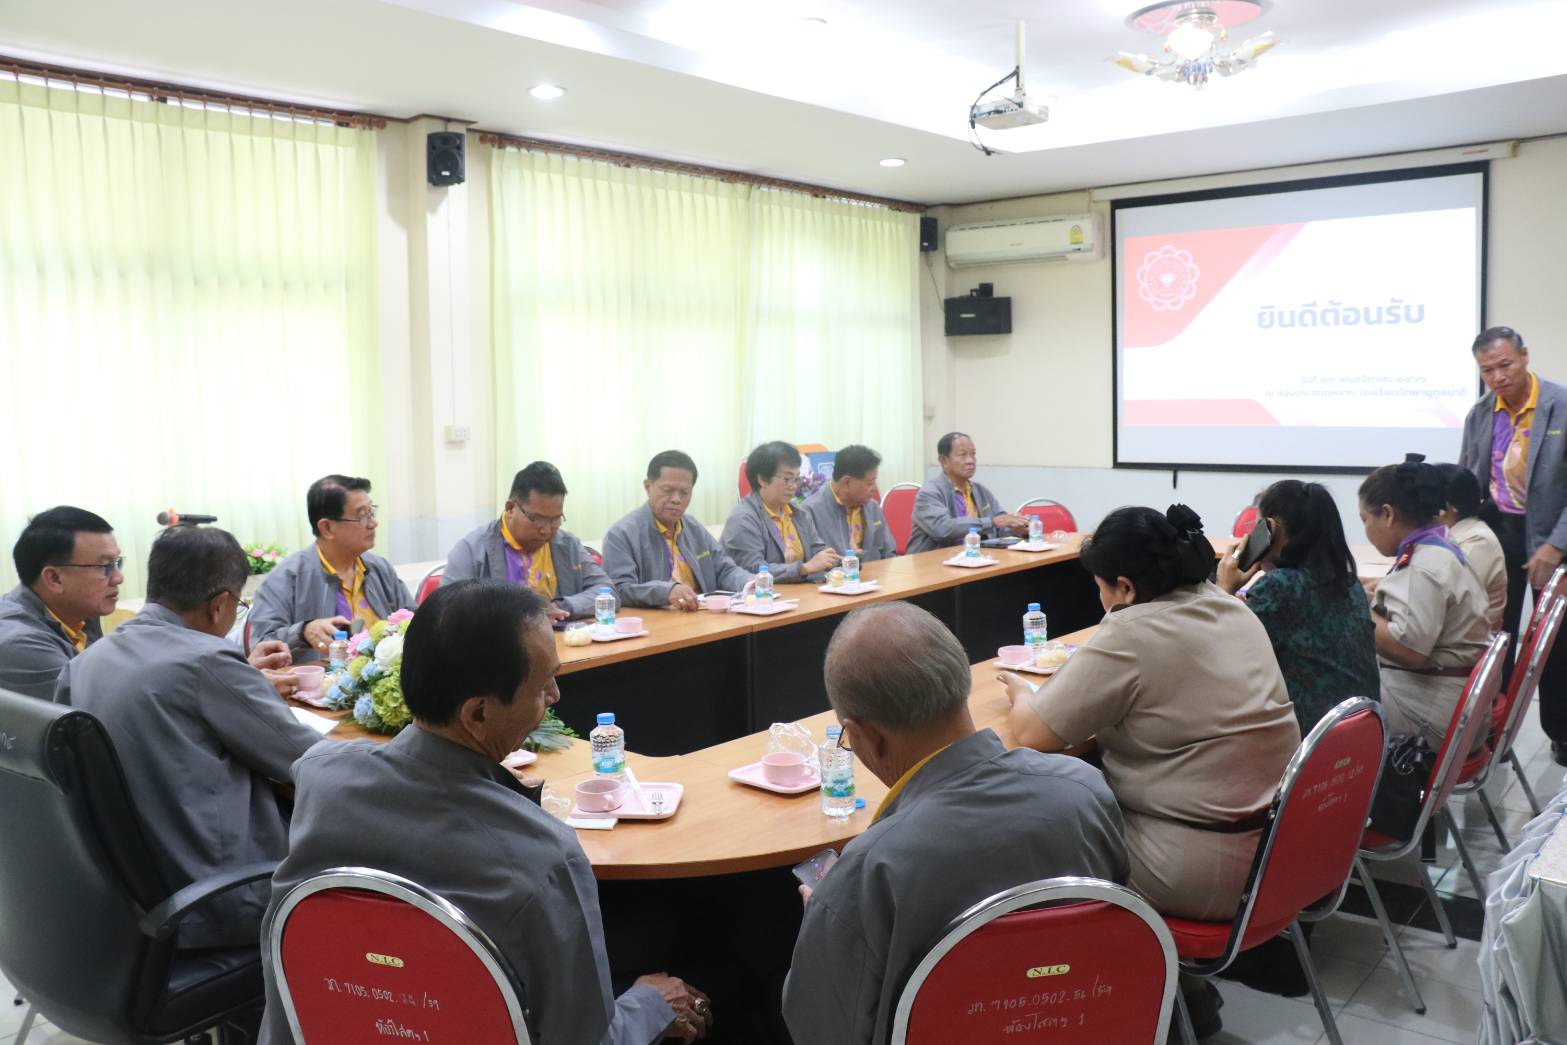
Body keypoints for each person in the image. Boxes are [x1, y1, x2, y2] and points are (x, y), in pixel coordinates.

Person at [257, 581, 712, 1045]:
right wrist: (652, 1003)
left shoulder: (319, 779)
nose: (554, 695)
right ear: (477, 714)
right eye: (542, 685)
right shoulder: (543, 858)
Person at [781, 602, 1127, 1045]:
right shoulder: (1086, 791)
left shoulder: (873, 868)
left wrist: (829, 918)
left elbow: (819, 1030)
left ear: (866, 735)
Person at [55, 525, 322, 950]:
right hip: (224, 897)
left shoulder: (87, 662)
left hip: (135, 898)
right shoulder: (207, 659)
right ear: (220, 605)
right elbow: (309, 758)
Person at [1458, 326, 1567, 763]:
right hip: (1499, 532)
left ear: (1524, 356)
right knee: (1495, 636)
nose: (1499, 376)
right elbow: (1468, 480)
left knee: (1555, 641)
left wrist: (1556, 546)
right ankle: (1491, 731)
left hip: (1552, 536)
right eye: (1488, 370)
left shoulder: (1560, 405)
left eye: (1505, 364)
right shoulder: (1482, 413)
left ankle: (1561, 731)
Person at [1216, 480, 1381, 734]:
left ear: (1270, 528)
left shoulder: (1280, 588)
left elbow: (1220, 654)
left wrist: (1223, 590)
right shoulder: (1349, 585)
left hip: (1307, 745)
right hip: (1358, 743)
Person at [1359, 456, 1491, 750]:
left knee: (1319, 704)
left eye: (1365, 520)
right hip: (1450, 704)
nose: (1366, 531)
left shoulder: (1423, 565)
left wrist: (1353, 608)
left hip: (1429, 713)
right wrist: (1369, 600)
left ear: (1388, 514)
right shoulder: (1438, 547)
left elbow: (1408, 649)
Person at [249, 474, 414, 660]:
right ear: (327, 528)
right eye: (361, 516)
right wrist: (303, 632)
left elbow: (414, 622)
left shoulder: (379, 568)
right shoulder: (286, 578)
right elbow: (262, 645)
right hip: (316, 685)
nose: (373, 523)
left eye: (371, 512)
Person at [442, 460, 614, 619]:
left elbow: (607, 591)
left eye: (555, 520)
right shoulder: (472, 550)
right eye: (537, 519)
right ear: (510, 508)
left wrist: (561, 606)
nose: (546, 530)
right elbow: (447, 612)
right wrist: (516, 617)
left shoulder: (568, 545)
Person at [604, 451, 752, 611]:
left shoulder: (693, 527)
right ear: (648, 487)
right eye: (667, 490)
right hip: (658, 626)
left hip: (705, 619)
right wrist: (665, 591)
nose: (676, 499)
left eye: (684, 492)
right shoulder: (622, 534)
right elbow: (620, 589)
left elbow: (725, 569)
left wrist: (750, 582)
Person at [0, 507, 121, 701]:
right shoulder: (21, 644)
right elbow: (106, 708)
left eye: (117, 563)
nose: (118, 578)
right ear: (54, 578)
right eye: (104, 566)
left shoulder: (79, 610)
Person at [721, 441, 840, 583]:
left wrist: (833, 559)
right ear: (762, 480)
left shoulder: (798, 513)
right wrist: (804, 568)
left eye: (797, 479)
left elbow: (816, 548)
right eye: (787, 479)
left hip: (799, 594)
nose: (793, 486)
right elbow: (752, 569)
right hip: (759, 599)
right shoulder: (742, 519)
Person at [905, 432, 1028, 554]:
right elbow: (942, 529)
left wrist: (1016, 529)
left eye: (973, 454)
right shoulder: (929, 492)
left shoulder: (980, 490)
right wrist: (992, 522)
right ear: (943, 460)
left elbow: (999, 527)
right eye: (962, 455)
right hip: (933, 563)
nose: (970, 461)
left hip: (974, 560)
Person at [1436, 463, 1508, 632]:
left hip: (1464, 648)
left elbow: (1446, 599)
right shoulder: (1465, 532)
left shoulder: (1476, 542)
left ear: (1450, 506)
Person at [798, 444, 898, 563]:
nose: (875, 489)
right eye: (869, 483)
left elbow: (889, 553)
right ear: (847, 482)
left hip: (876, 578)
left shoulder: (872, 507)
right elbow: (811, 564)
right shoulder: (810, 511)